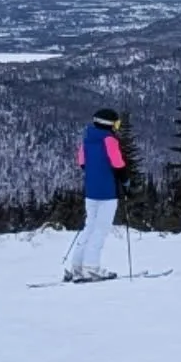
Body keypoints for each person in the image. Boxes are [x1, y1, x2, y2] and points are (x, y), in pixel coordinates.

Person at [65, 108, 128, 281]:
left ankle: (77, 266)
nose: (117, 127)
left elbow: (82, 163)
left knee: (90, 227)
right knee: (101, 229)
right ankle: (91, 267)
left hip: (91, 191)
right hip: (107, 192)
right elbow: (118, 164)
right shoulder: (109, 140)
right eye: (116, 123)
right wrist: (125, 181)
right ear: (109, 124)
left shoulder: (87, 140)